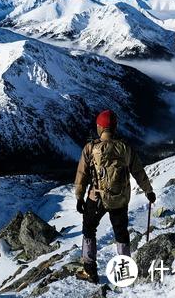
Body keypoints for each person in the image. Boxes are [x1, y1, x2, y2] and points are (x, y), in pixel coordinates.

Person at [74, 109, 156, 283]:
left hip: (96, 198)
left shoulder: (90, 148)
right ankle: (125, 270)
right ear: (115, 127)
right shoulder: (125, 148)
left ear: (99, 127)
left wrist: (80, 197)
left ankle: (90, 270)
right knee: (121, 233)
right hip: (119, 199)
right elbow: (138, 172)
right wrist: (148, 190)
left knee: (89, 230)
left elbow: (82, 174)